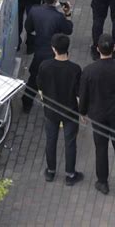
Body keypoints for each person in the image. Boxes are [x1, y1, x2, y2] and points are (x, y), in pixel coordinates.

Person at [79, 33, 115, 195]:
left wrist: (82, 112)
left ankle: (102, 182)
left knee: (101, 147)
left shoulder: (89, 71)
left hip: (97, 114)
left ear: (98, 49)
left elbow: (84, 94)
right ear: (114, 49)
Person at [37, 33, 83, 185]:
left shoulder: (45, 66)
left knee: (51, 140)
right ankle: (70, 175)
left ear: (53, 49)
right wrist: (82, 112)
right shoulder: (75, 69)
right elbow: (78, 94)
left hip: (51, 111)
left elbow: (40, 87)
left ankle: (50, 171)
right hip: (70, 112)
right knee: (70, 143)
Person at [22, 0, 73, 112]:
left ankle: (26, 103)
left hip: (39, 52)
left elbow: (28, 28)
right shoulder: (58, 17)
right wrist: (67, 14)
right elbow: (68, 30)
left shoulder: (34, 11)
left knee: (33, 78)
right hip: (54, 55)